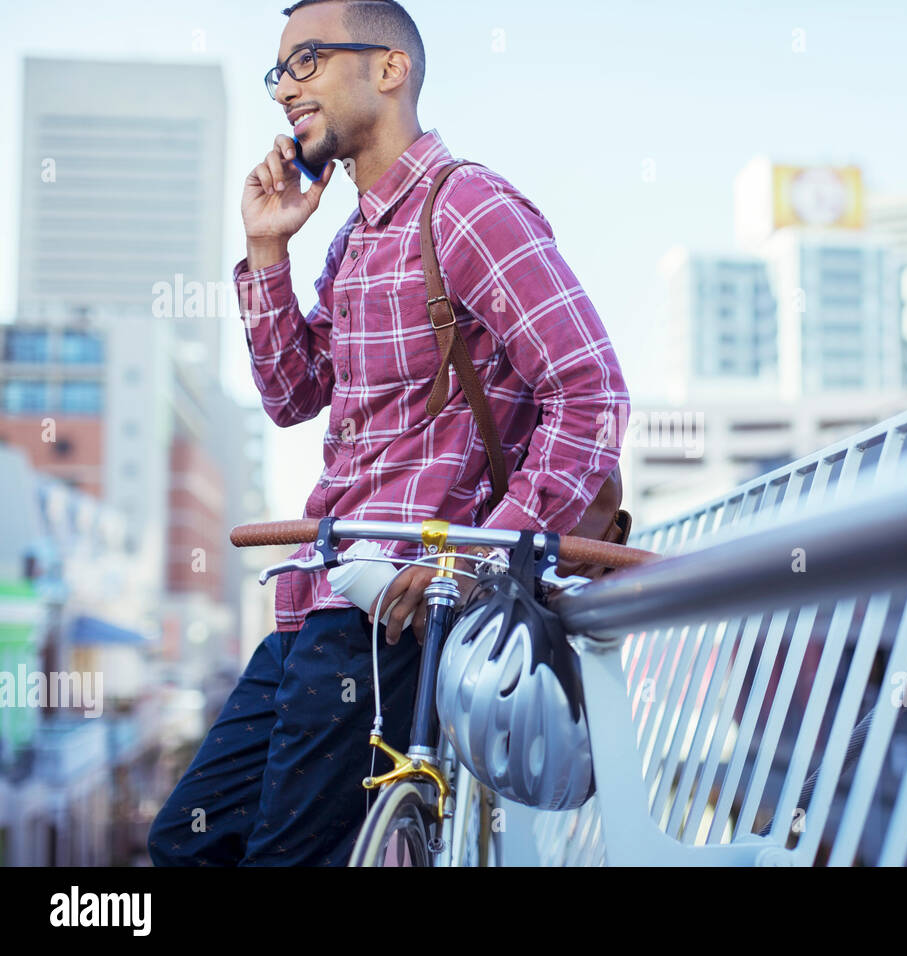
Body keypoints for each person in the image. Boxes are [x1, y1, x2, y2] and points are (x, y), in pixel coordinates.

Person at [149, 0, 628, 866]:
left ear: (389, 68)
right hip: (319, 599)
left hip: (401, 618)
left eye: (306, 62)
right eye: (278, 72)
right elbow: (293, 395)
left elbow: (590, 393)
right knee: (189, 840)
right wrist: (267, 254)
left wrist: (473, 561)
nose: (285, 90)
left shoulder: (470, 206)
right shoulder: (354, 242)